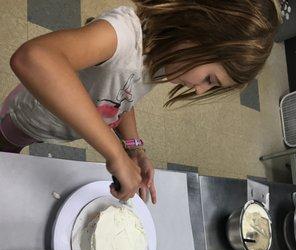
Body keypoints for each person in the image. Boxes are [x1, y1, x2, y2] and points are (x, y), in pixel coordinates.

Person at [0, 0, 281, 203]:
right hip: (30, 116)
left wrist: (133, 148)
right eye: (210, 79)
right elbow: (33, 58)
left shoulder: (161, 56)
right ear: (201, 34)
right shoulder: (122, 35)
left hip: (62, 125)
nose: (199, 91)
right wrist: (115, 153)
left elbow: (123, 95)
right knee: (7, 154)